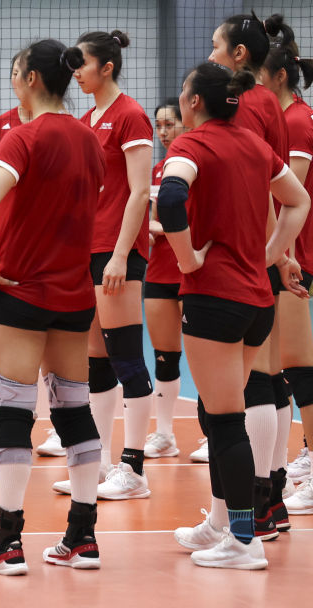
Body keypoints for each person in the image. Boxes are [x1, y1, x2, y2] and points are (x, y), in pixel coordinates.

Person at [0, 39, 105, 575]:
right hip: (75, 293)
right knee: (74, 408)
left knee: (13, 407)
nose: (11, 81)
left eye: (14, 72)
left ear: (29, 78)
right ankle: (83, 537)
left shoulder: (22, 137)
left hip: (22, 290)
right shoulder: (89, 137)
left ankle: (7, 543)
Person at [164, 62, 309, 569]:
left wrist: (187, 260)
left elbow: (171, 198)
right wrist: (269, 255)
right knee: (216, 412)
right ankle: (223, 524)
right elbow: (297, 200)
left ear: (194, 102)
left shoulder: (191, 146)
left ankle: (245, 541)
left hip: (214, 300)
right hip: (257, 301)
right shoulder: (254, 144)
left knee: (225, 421)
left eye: (183, 92)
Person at [55, 30, 154, 501]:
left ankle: (133, 470)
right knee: (96, 362)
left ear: (107, 67)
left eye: (83, 64)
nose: (76, 73)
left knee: (126, 357)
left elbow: (140, 191)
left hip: (118, 251)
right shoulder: (86, 120)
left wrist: (119, 252)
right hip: (87, 249)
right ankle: (98, 464)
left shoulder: (131, 115)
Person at [204, 11, 290, 539]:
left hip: (243, 259)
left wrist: (268, 253)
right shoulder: (267, 101)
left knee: (251, 382)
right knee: (270, 375)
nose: (211, 54)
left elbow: (254, 185)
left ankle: (253, 507)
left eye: (217, 46)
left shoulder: (245, 105)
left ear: (239, 54)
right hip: (263, 254)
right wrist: (279, 253)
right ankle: (271, 500)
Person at [261, 23, 313, 517]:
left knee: (297, 364)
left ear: (278, 75)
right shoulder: (282, 118)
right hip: (286, 253)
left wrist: (283, 256)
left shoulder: (296, 121)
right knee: (280, 366)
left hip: (296, 256)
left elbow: (288, 198)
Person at [143, 98, 187, 460]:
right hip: (159, 270)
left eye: (169, 124)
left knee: (209, 357)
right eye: (158, 125)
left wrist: (159, 227)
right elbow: (154, 220)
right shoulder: (158, 170)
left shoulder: (199, 164)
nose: (162, 132)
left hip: (193, 270)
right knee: (164, 357)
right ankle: (164, 435)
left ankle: (213, 433)